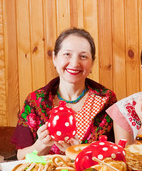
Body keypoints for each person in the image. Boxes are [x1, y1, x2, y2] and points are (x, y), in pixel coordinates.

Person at [12, 28, 117, 160]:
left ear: (92, 63)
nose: (74, 63)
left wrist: (79, 153)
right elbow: (21, 157)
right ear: (55, 58)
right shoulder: (35, 100)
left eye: (83, 56)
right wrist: (41, 145)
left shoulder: (107, 100)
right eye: (67, 54)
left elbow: (114, 155)